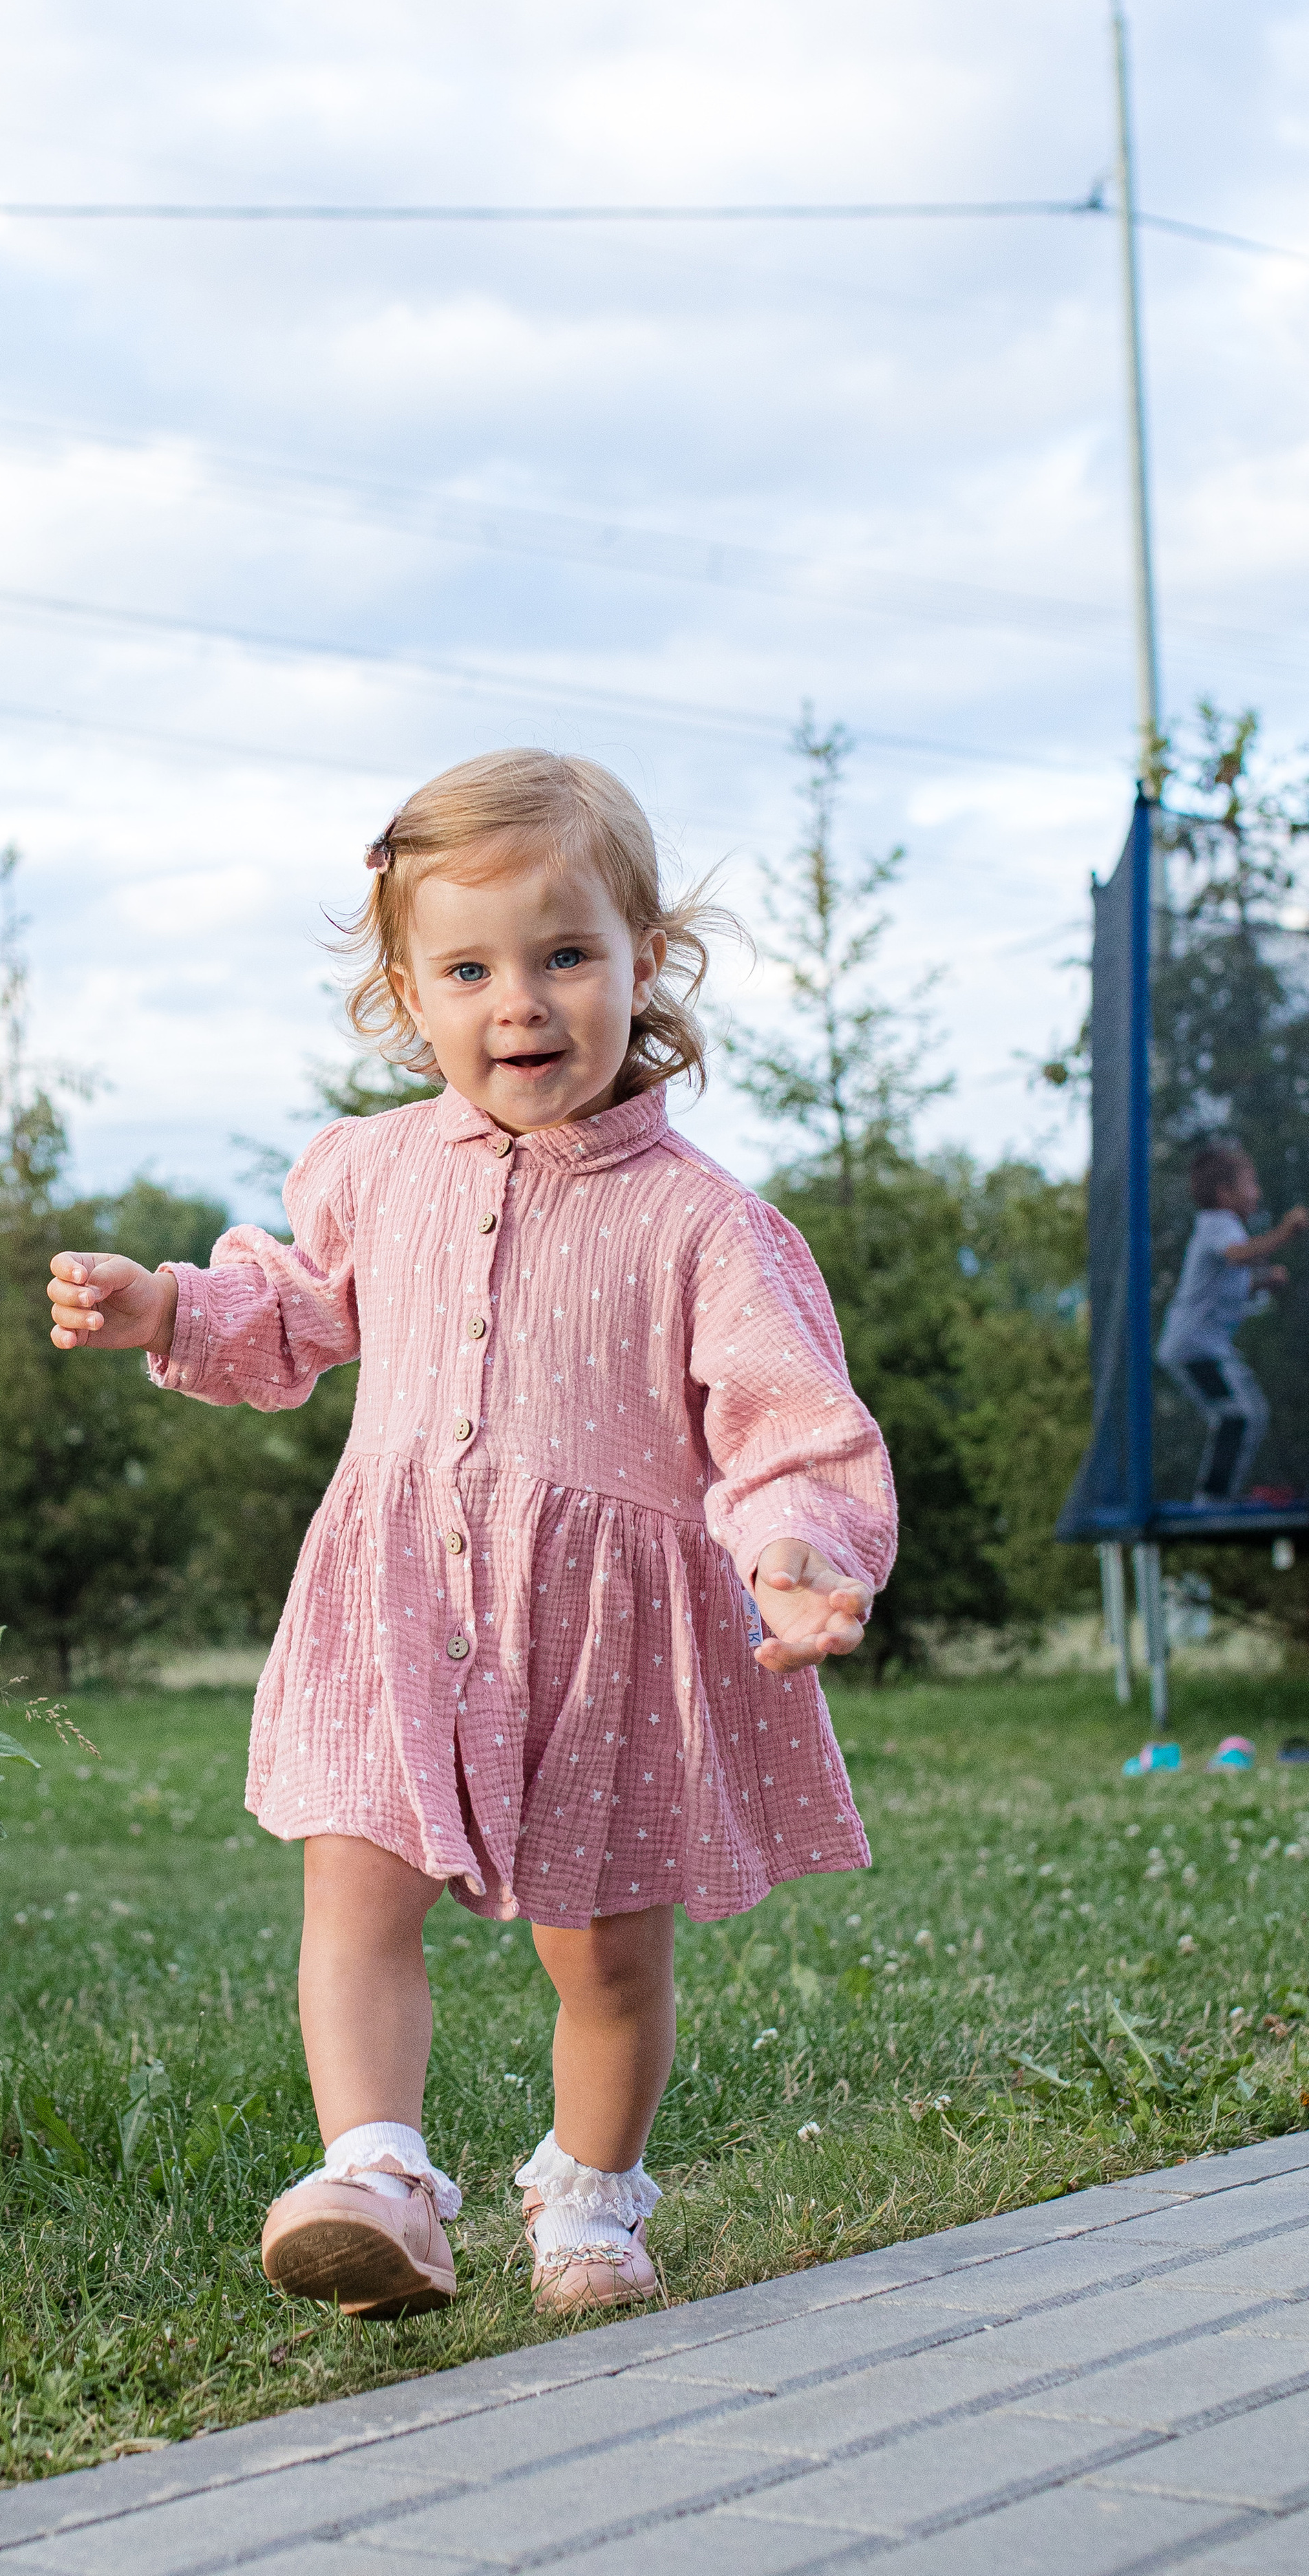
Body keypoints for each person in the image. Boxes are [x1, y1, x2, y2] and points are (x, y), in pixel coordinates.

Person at [46, 749, 896, 2321]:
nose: (521, 1000)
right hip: (392, 1601)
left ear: (646, 959)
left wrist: (800, 1546)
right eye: (469, 967)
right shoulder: (371, 1168)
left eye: (565, 953)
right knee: (352, 1893)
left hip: (603, 1639)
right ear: (404, 993)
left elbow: (786, 1412)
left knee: (605, 1963)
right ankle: (374, 2172)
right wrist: (171, 1304)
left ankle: (587, 2194)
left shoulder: (703, 1221)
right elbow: (295, 1310)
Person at [1157, 1141, 1307, 1506]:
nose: (1257, 1192)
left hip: (1204, 1347)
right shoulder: (1216, 1225)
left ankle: (1219, 1493)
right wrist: (1285, 1232)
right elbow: (1239, 1256)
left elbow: (1231, 1281)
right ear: (1226, 1194)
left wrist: (1263, 1281)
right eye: (1251, 1184)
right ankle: (1212, 1497)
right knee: (1236, 1413)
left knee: (1248, 1413)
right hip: (1194, 1346)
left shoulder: (1226, 1229)